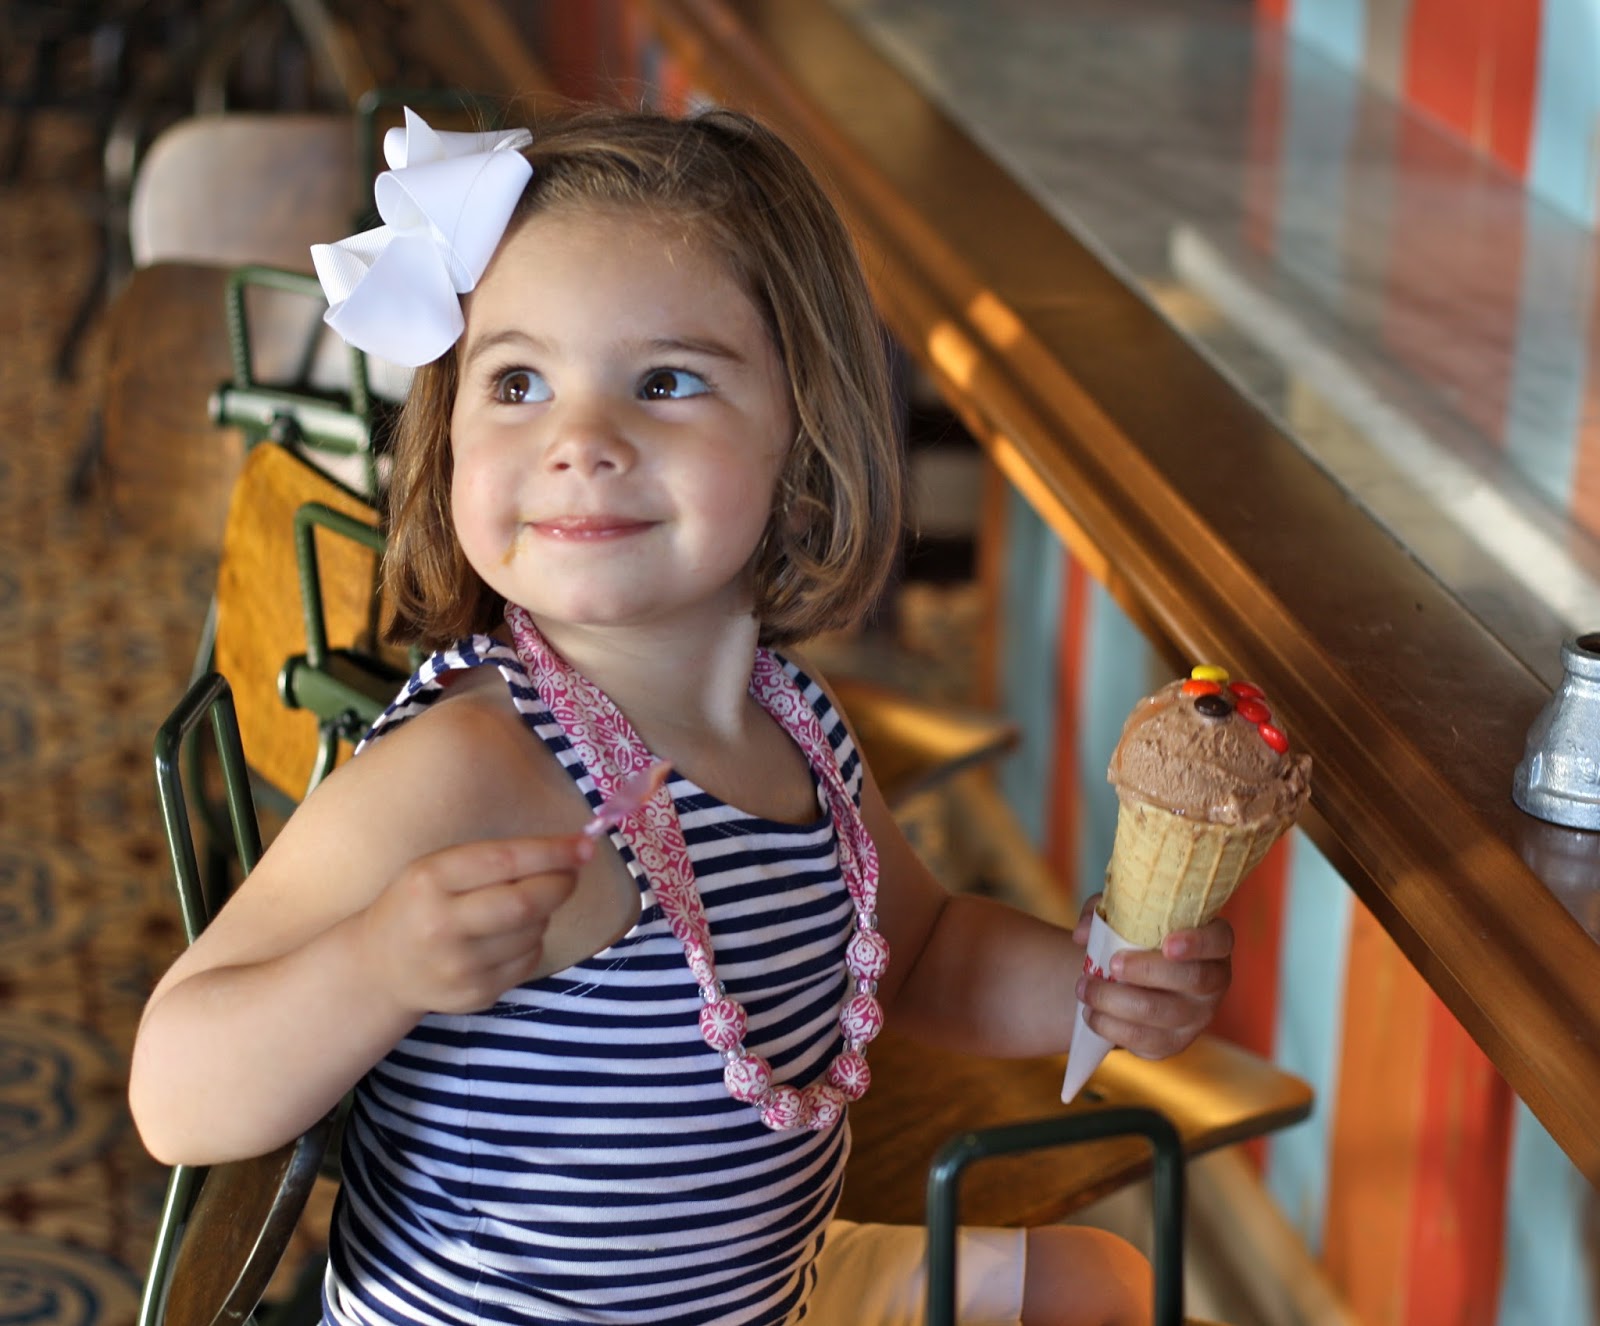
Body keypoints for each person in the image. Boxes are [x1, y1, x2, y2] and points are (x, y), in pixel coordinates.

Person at [129, 105, 1235, 1326]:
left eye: (664, 381)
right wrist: (377, 965)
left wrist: (1089, 988)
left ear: (800, 436)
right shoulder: (472, 764)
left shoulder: (797, 727)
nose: (581, 440)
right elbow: (176, 1090)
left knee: (1098, 1286)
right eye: (517, 382)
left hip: (766, 1297)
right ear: (446, 432)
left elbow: (919, 952)